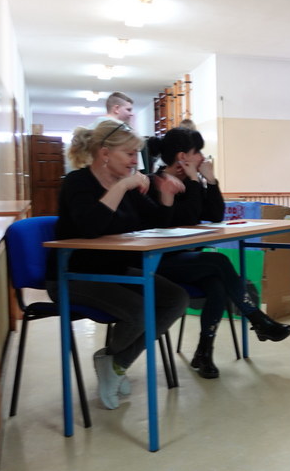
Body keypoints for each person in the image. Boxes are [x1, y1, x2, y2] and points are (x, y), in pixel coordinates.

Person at [46, 120, 189, 410]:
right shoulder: (77, 182)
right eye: (129, 154)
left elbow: (157, 223)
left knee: (176, 298)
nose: (135, 161)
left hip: (114, 271)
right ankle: (114, 365)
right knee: (138, 310)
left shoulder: (127, 186)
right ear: (105, 153)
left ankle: (115, 362)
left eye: (136, 154)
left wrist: (166, 196)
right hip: (72, 276)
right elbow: (91, 227)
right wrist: (123, 186)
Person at [146, 128, 290, 378]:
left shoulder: (190, 182)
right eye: (197, 152)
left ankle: (204, 352)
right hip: (160, 262)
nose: (203, 158)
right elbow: (189, 216)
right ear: (182, 156)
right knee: (218, 261)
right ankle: (257, 319)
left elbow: (214, 215)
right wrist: (194, 182)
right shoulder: (156, 183)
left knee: (217, 284)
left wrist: (211, 181)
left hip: (189, 261)